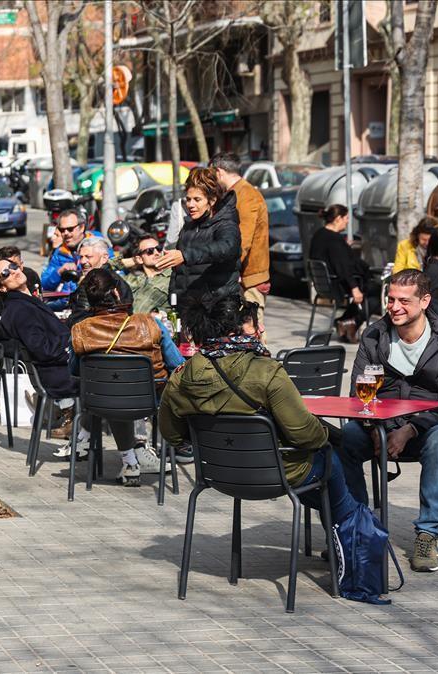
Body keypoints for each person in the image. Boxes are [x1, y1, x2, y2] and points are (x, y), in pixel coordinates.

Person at [158, 294, 361, 531]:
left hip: (217, 473)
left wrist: (213, 443)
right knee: (333, 461)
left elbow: (171, 434)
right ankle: (356, 542)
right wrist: (323, 436)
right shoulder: (266, 371)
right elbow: (304, 435)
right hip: (279, 473)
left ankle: (350, 531)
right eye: (254, 323)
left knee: (330, 471)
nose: (261, 328)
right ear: (234, 332)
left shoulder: (181, 376)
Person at [338, 270, 438, 573]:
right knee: (347, 437)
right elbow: (359, 393)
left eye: (404, 301)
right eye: (391, 299)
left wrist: (410, 430)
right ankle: (359, 528)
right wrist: (376, 428)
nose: (394, 307)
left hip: (434, 424)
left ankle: (428, 534)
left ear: (425, 301)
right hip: (384, 424)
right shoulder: (375, 335)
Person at [68, 268, 178, 484]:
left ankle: (123, 458)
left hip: (99, 401)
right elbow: (177, 364)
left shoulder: (80, 330)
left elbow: (74, 370)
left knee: (111, 390)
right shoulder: (150, 323)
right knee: (124, 393)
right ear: (118, 294)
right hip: (148, 401)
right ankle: (171, 450)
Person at [0, 258, 81, 444]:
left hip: (63, 369)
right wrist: (72, 346)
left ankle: (82, 438)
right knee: (116, 384)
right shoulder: (18, 309)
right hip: (61, 375)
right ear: (2, 287)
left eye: (13, 267)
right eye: (5, 273)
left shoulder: (27, 301)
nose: (13, 271)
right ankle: (132, 451)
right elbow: (42, 349)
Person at [156, 167, 241, 307]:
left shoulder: (226, 224)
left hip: (216, 308)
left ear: (212, 200)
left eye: (197, 199)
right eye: (188, 199)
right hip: (188, 308)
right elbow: (177, 274)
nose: (190, 205)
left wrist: (186, 255)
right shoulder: (188, 226)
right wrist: (173, 302)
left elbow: (227, 247)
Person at [211, 152, 270, 322]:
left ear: (219, 172)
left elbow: (243, 240)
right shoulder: (236, 193)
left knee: (253, 332)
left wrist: (230, 270)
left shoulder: (246, 195)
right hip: (244, 277)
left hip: (249, 278)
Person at [309, 205, 379, 340]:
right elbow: (342, 267)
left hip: (324, 283)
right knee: (377, 292)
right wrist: (354, 288)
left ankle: (345, 322)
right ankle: (349, 322)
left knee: (371, 290)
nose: (347, 221)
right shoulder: (334, 240)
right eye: (346, 218)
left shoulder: (319, 234)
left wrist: (345, 246)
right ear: (338, 218)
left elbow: (334, 258)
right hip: (338, 284)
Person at [67, 237, 133, 321]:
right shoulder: (117, 279)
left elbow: (80, 317)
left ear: (104, 258)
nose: (83, 261)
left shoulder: (94, 282)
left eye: (88, 257)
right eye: (81, 257)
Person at [119, 235, 173, 315]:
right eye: (150, 251)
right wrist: (133, 261)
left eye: (158, 248)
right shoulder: (133, 280)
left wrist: (160, 312)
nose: (156, 253)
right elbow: (101, 269)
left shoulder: (173, 276)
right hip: (130, 325)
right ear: (140, 259)